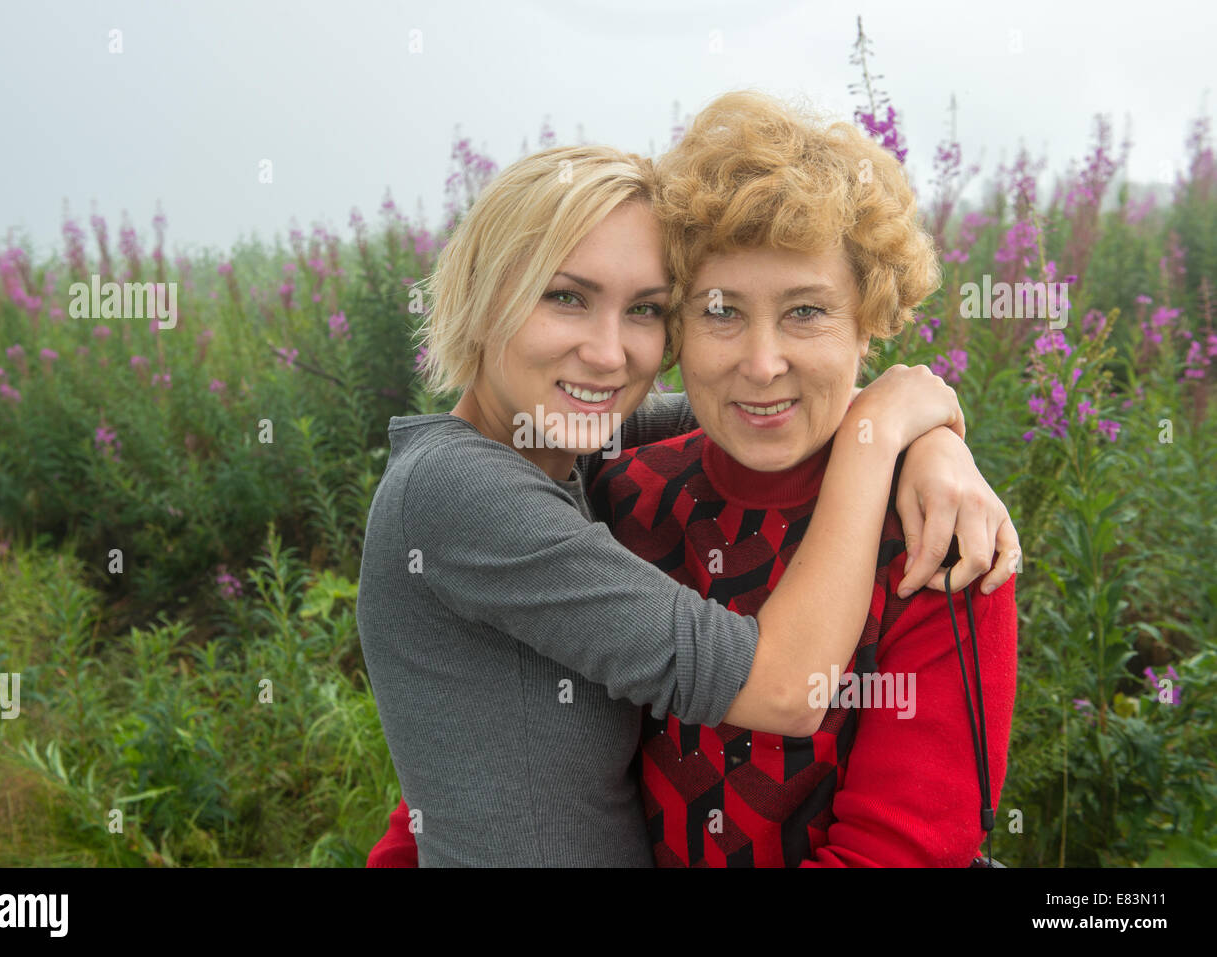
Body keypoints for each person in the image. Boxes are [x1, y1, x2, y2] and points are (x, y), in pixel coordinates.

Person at [358, 136, 1018, 866]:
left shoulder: (585, 450)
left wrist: (918, 429)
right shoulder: (501, 488)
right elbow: (786, 687)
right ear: (483, 299)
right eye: (565, 297)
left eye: (643, 309)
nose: (609, 354)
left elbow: (481, 750)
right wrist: (882, 426)